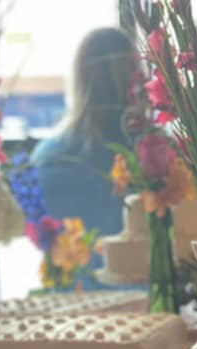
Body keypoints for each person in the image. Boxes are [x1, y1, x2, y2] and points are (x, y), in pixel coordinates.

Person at [31, 27, 135, 239]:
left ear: (78, 80)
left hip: (73, 261)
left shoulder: (47, 157)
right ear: (135, 77)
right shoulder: (156, 157)